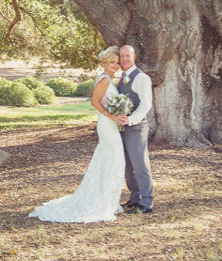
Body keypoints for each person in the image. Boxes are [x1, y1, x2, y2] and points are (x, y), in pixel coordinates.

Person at [29, 46, 126, 223]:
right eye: (112, 62)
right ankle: (102, 203)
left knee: (109, 160)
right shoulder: (104, 80)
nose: (115, 65)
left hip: (111, 125)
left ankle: (109, 201)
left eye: (118, 63)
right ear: (105, 63)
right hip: (106, 125)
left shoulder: (109, 79)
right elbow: (95, 103)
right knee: (115, 160)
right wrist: (112, 116)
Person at [115, 44, 154, 213]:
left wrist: (130, 120)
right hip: (123, 128)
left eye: (127, 56)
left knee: (140, 165)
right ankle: (135, 198)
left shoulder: (141, 78)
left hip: (136, 127)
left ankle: (146, 201)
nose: (124, 59)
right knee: (128, 166)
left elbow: (146, 104)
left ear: (134, 57)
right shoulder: (123, 76)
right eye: (121, 56)